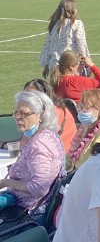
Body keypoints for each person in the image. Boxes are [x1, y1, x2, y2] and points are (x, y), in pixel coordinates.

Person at [1, 91, 64, 224]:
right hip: (27, 207)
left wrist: (6, 183)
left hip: (29, 215)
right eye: (16, 112)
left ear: (41, 116)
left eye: (23, 113)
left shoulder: (39, 144)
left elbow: (39, 188)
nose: (17, 117)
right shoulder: (48, 134)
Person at [23, 79, 77, 154]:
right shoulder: (57, 108)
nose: (25, 99)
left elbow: (24, 144)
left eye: (31, 96)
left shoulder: (48, 114)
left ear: (44, 96)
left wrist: (3, 145)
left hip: (60, 157)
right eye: (24, 95)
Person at [39, 0, 89, 77]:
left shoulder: (53, 25)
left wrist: (46, 65)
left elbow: (47, 46)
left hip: (54, 64)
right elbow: (81, 42)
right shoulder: (77, 23)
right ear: (73, 9)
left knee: (57, 88)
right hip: (70, 65)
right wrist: (85, 59)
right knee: (72, 88)